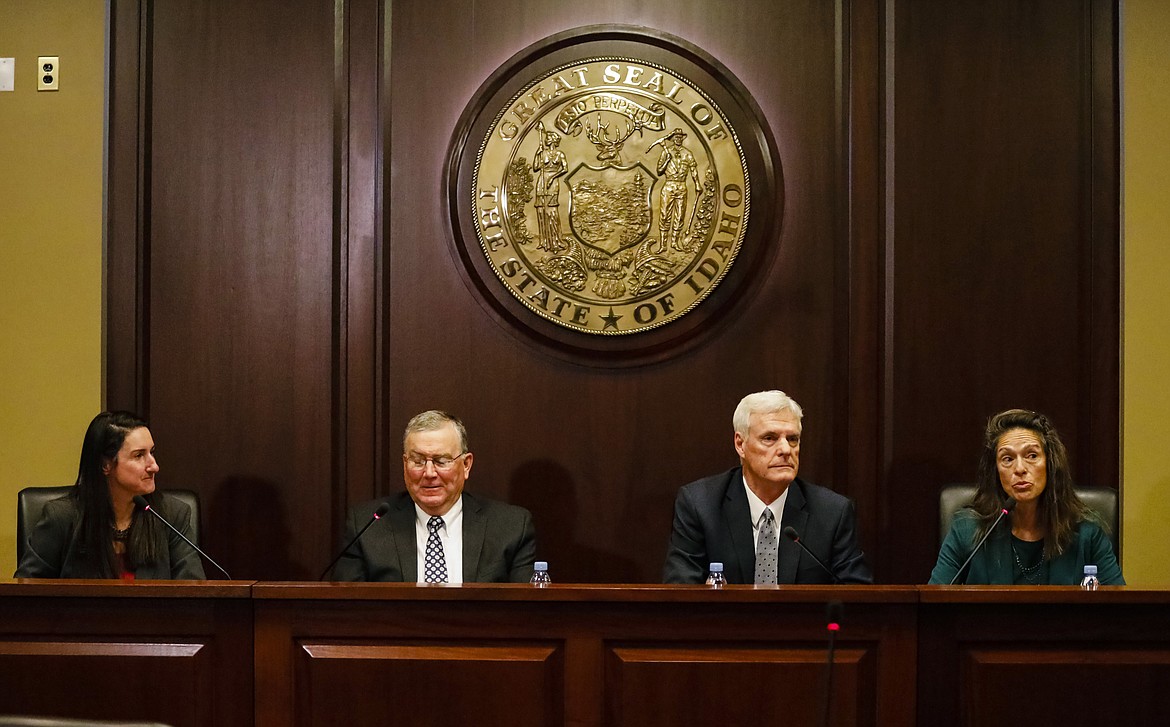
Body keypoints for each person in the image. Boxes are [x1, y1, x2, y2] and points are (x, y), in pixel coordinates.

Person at [663, 391, 872, 584]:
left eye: (792, 439)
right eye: (769, 438)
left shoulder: (832, 512)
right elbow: (681, 593)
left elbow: (856, 598)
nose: (785, 450)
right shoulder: (700, 505)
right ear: (740, 444)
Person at [332, 410, 537, 583]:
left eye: (441, 461)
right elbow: (346, 612)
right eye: (418, 461)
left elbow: (528, 614)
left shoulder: (510, 527)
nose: (429, 473)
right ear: (405, 465)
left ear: (466, 465)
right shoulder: (367, 525)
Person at [929, 409, 1124, 585]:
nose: (1020, 469)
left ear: (1050, 464)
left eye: (1032, 455)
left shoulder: (1087, 533)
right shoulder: (967, 531)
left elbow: (1121, 613)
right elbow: (933, 608)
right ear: (995, 471)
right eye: (1007, 459)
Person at [15, 411, 206, 579]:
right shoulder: (62, 518)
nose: (154, 466)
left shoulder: (171, 515)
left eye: (152, 453)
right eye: (139, 455)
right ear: (105, 465)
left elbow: (193, 594)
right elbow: (26, 596)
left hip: (154, 621)